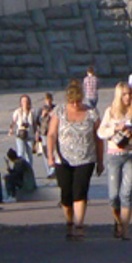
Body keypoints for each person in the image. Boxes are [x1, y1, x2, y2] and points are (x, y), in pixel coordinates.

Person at [47, 79, 104, 240]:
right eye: (72, 102)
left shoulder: (92, 113)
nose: (75, 105)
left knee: (80, 191)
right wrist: (50, 156)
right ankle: (69, 222)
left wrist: (100, 161)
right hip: (62, 159)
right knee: (66, 193)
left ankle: (79, 225)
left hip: (86, 158)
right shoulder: (59, 111)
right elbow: (51, 134)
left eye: (78, 101)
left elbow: (99, 138)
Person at [97, 82, 132, 240]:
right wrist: (115, 129)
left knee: (126, 193)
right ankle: (118, 221)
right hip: (114, 155)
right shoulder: (110, 112)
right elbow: (100, 132)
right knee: (113, 195)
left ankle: (125, 229)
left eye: (130, 94)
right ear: (119, 96)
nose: (128, 97)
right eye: (124, 94)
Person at [9, 95, 39, 168]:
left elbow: (35, 123)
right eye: (23, 101)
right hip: (20, 135)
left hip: (30, 135)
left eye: (26, 101)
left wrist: (37, 133)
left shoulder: (32, 112)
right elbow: (13, 121)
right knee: (21, 153)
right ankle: (20, 169)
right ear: (21, 103)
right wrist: (11, 129)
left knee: (29, 155)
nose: (25, 103)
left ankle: (29, 170)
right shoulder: (18, 111)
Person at [35, 92, 56, 177]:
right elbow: (37, 122)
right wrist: (42, 116)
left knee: (54, 150)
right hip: (44, 132)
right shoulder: (41, 110)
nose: (49, 102)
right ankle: (49, 170)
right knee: (45, 152)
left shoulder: (55, 108)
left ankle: (53, 169)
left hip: (53, 132)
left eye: (50, 100)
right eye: (47, 100)